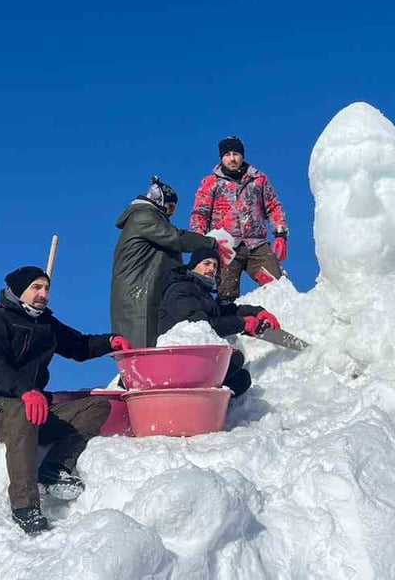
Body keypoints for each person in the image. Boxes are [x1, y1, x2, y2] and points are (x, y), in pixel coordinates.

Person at [0, 265, 132, 535]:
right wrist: (24, 390)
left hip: (32, 409)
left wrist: (110, 341)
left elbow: (79, 346)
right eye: (36, 287)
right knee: (21, 410)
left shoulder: (46, 324)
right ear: (19, 291)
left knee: (96, 405)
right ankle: (25, 506)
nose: (43, 294)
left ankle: (54, 469)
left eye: (46, 288)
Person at [111, 176, 231, 349]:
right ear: (159, 200)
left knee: (152, 348)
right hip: (138, 297)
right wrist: (211, 243)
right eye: (170, 206)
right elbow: (175, 237)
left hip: (144, 292)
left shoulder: (150, 221)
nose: (171, 212)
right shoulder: (143, 216)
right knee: (142, 348)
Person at [158, 246, 283, 397]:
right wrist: (243, 323)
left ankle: (210, 408)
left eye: (215, 266)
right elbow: (201, 325)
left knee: (240, 379)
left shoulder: (201, 292)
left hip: (193, 360)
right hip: (177, 360)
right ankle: (191, 401)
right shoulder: (181, 289)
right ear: (194, 265)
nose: (211, 268)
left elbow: (224, 310)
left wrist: (257, 311)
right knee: (233, 359)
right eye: (206, 263)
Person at [189, 135, 289, 302]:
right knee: (226, 295)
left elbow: (273, 206)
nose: (232, 159)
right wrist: (201, 241)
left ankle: (282, 319)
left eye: (235, 154)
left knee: (277, 286)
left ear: (242, 155)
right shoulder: (211, 182)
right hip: (225, 247)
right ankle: (231, 325)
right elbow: (200, 213)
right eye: (227, 155)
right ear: (222, 158)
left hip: (256, 244)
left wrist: (280, 234)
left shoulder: (258, 179)